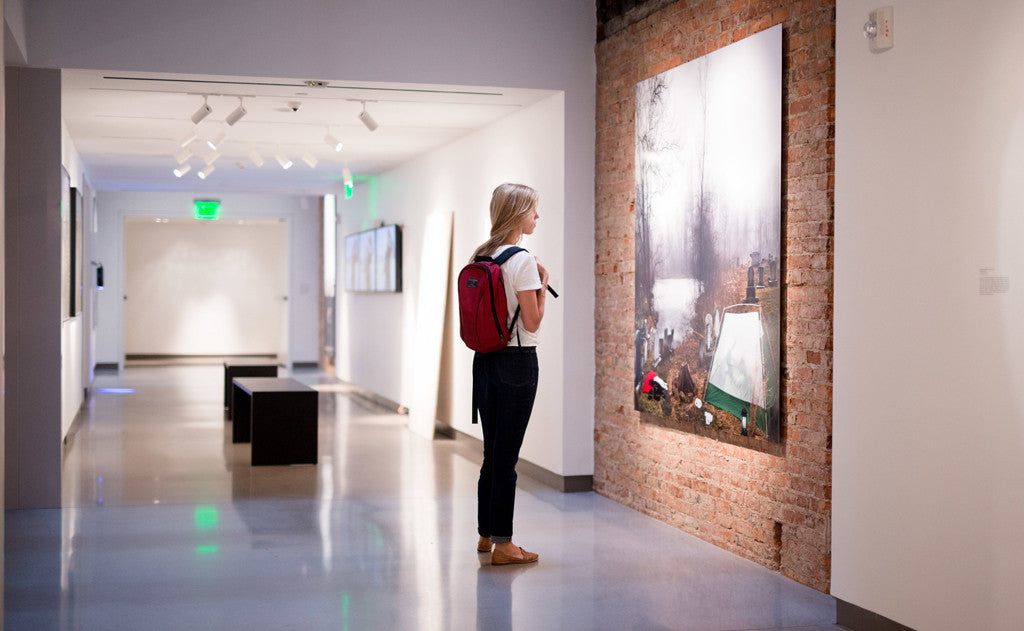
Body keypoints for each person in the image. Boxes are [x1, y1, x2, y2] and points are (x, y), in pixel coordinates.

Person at [472, 182, 549, 565]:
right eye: (533, 210)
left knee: (492, 452)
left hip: (484, 362)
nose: (537, 216)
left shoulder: (483, 254)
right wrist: (543, 282)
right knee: (507, 458)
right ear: (518, 213)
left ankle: (486, 534)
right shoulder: (522, 260)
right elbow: (531, 324)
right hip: (517, 362)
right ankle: (504, 544)